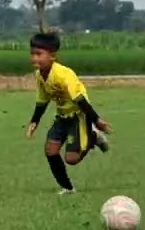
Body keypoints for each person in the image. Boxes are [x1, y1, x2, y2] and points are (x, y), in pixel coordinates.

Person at [25, 32, 110, 195]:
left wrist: (97, 120)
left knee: (71, 159)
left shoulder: (64, 74)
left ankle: (93, 136)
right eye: (32, 54)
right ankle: (68, 188)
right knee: (50, 150)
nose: (34, 58)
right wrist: (34, 122)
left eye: (39, 54)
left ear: (52, 56)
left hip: (79, 115)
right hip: (63, 117)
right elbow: (42, 99)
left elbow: (80, 100)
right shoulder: (39, 75)